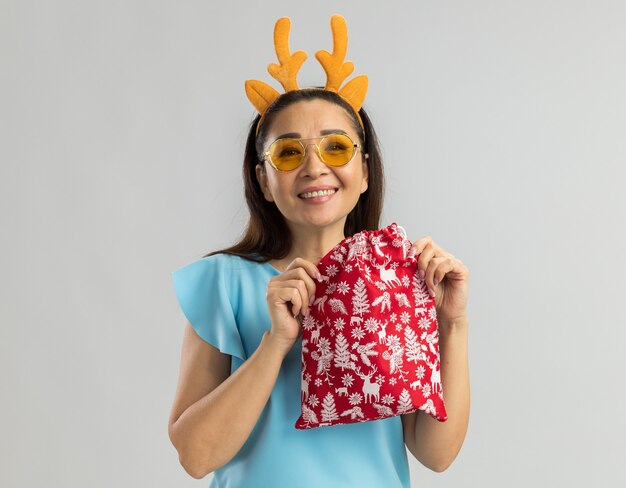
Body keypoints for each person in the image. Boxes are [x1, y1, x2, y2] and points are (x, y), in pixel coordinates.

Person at [167, 15, 470, 488]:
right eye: (288, 153)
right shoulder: (224, 283)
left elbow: (436, 453)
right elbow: (195, 455)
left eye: (335, 148)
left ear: (365, 171)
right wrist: (275, 343)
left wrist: (452, 323)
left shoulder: (402, 280)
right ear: (264, 181)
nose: (313, 167)